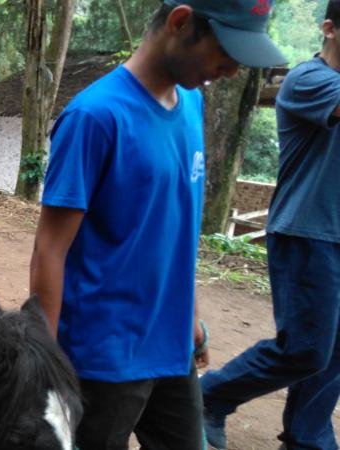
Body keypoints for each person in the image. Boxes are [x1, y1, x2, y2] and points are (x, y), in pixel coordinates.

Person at [29, 1, 286, 449]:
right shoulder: (94, 117)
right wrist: (43, 364)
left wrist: (191, 319)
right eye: (224, 52)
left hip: (171, 347)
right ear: (180, 22)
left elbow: (173, 232)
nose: (230, 70)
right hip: (103, 356)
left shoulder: (191, 104)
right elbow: (50, 249)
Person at [201, 2, 340, 449]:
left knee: (334, 353)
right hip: (307, 231)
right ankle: (207, 396)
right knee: (306, 348)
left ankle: (308, 436)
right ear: (329, 29)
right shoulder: (310, 80)